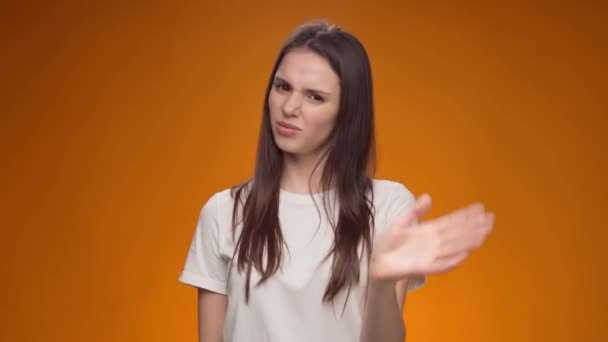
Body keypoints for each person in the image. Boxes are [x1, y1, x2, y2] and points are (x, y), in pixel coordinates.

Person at [178, 19, 494, 342]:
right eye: (282, 87)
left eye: (315, 97)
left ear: (348, 111)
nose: (289, 108)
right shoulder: (223, 211)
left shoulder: (388, 207)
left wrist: (382, 284)